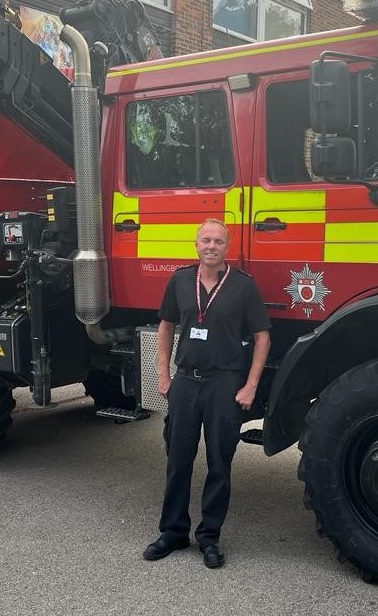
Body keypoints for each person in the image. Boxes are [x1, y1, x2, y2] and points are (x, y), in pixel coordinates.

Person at [143, 218, 271, 569]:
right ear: (196, 245)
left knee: (219, 463)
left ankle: (209, 537)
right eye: (205, 240)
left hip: (224, 384)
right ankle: (173, 532)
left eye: (218, 241)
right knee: (178, 459)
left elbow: (263, 337)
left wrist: (250, 385)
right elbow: (166, 325)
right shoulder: (181, 280)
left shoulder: (243, 286)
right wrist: (163, 373)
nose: (211, 246)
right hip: (185, 381)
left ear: (227, 248)